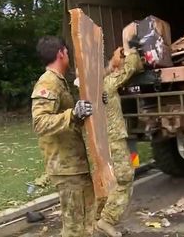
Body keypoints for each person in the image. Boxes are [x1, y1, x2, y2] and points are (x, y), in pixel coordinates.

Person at [31, 36, 95, 237]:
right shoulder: (48, 83)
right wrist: (72, 114)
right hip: (66, 167)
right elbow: (40, 123)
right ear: (61, 53)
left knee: (86, 221)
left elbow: (69, 119)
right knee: (75, 226)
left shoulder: (60, 82)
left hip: (74, 165)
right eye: (67, 52)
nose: (69, 56)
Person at [95, 40, 144, 237]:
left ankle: (95, 220)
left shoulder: (94, 85)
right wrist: (133, 51)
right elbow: (129, 68)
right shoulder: (107, 84)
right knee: (124, 179)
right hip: (113, 138)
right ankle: (106, 220)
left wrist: (115, 61)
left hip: (100, 140)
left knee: (104, 180)